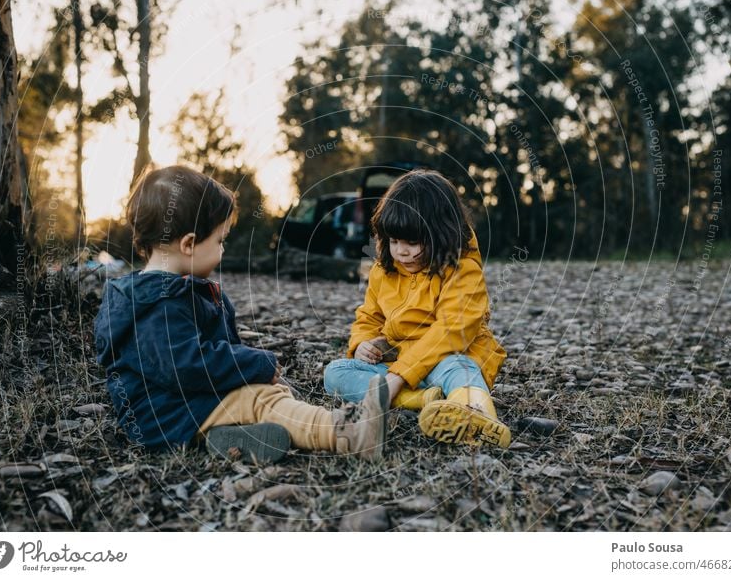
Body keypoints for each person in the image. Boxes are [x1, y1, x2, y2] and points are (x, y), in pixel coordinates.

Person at [94, 165, 388, 463]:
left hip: (185, 405)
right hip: (165, 415)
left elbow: (214, 356)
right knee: (263, 399)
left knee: (264, 392)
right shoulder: (158, 305)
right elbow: (189, 366)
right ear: (189, 244)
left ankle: (231, 436)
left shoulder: (180, 291)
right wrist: (255, 364)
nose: (222, 250)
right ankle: (347, 433)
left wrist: (252, 373)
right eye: (220, 241)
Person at [324, 169, 511, 448]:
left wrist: (399, 375)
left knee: (459, 368)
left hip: (448, 357)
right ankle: (426, 401)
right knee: (335, 373)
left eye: (413, 242)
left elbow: (452, 330)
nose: (402, 252)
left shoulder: (462, 270)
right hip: (398, 362)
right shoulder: (384, 269)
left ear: (441, 234)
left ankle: (477, 415)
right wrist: (363, 343)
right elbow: (369, 316)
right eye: (394, 241)